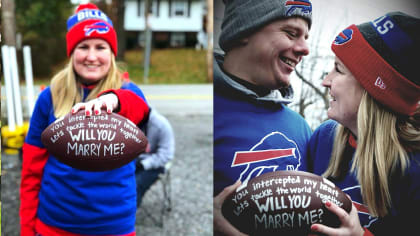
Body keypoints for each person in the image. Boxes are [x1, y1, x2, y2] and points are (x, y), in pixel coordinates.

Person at [20, 3, 150, 236]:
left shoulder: (128, 92)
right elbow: (31, 170)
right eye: (83, 46)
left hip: (113, 225)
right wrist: (27, 228)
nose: (92, 56)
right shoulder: (50, 96)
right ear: (71, 52)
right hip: (54, 223)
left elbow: (139, 109)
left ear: (112, 53)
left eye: (101, 47)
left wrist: (113, 100)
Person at [307, 12, 420, 236]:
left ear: (374, 92)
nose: (325, 80)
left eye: (338, 69)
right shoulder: (323, 138)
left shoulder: (414, 172)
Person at [213, 0, 313, 235]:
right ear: (244, 31)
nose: (304, 49)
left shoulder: (301, 127)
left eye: (306, 37)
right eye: (291, 33)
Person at [135, 108, 175, 208]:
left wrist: (143, 164)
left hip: (156, 164)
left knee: (135, 185)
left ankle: (128, 216)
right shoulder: (133, 121)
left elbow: (166, 155)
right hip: (135, 159)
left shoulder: (161, 125)